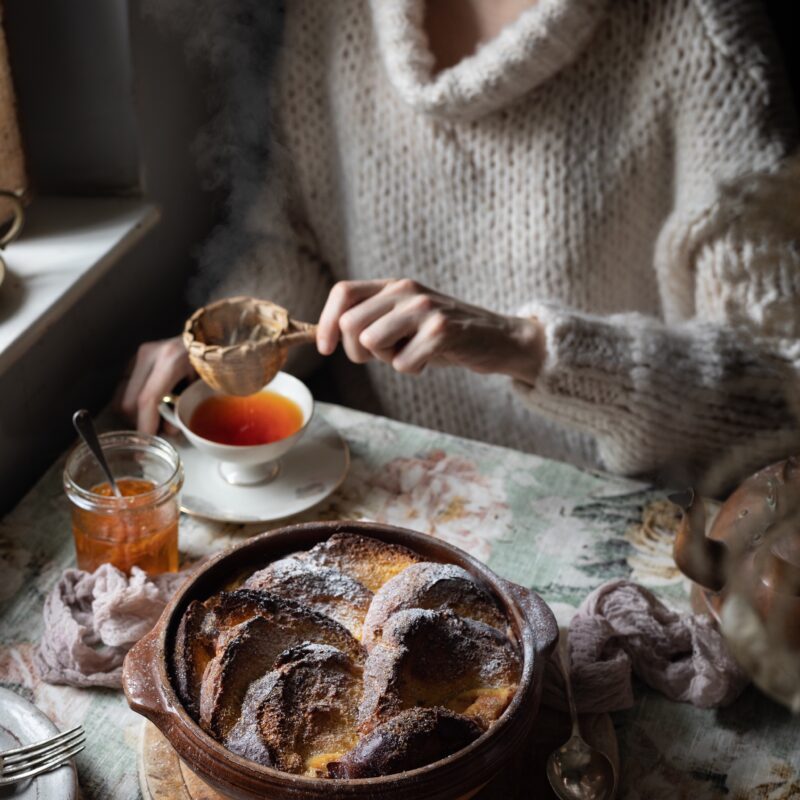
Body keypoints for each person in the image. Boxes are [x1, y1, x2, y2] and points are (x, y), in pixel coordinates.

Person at [121, 0, 800, 492]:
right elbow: (295, 239)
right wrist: (230, 339)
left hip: (625, 517)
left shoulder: (704, 34)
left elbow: (775, 388)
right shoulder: (332, 16)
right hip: (392, 489)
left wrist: (528, 347)